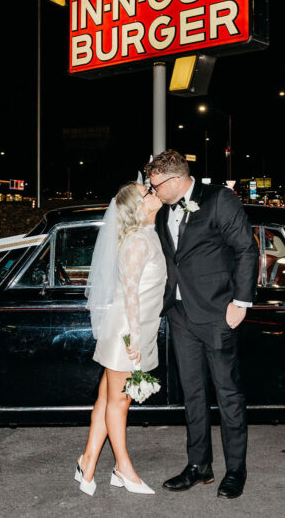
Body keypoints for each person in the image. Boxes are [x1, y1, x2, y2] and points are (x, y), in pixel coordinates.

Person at [145, 149, 257, 499]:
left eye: (156, 186)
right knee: (192, 392)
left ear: (175, 180)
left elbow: (246, 249)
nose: (153, 191)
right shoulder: (163, 208)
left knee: (227, 393)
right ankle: (199, 465)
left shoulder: (219, 199)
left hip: (218, 312)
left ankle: (235, 470)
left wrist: (241, 302)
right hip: (179, 314)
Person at [75, 181, 166, 496]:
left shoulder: (148, 234)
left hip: (133, 327)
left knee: (106, 398)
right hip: (127, 331)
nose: (154, 192)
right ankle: (123, 468)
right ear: (137, 208)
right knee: (120, 401)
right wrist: (135, 340)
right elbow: (130, 294)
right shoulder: (137, 241)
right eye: (147, 192)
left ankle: (87, 463)